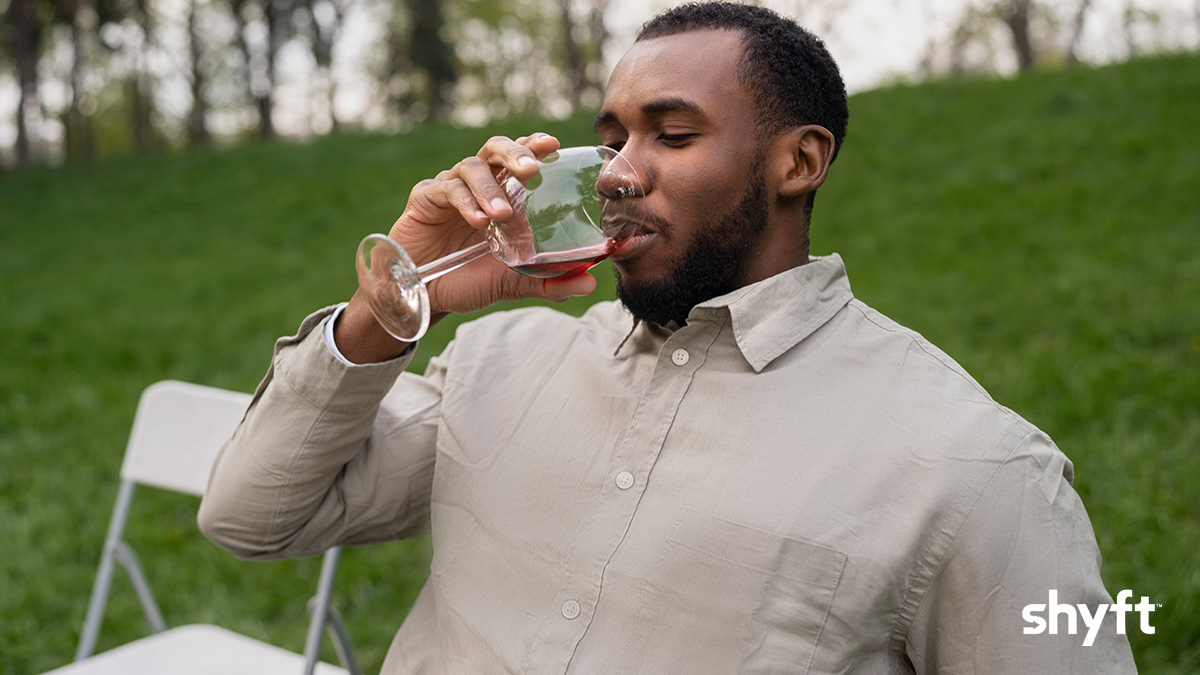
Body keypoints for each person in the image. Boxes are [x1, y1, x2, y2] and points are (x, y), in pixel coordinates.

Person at [199, 2, 1138, 672]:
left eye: (672, 136)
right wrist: (392, 303)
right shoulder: (498, 362)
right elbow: (250, 517)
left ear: (798, 161)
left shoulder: (973, 467)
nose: (616, 173)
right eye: (612, 140)